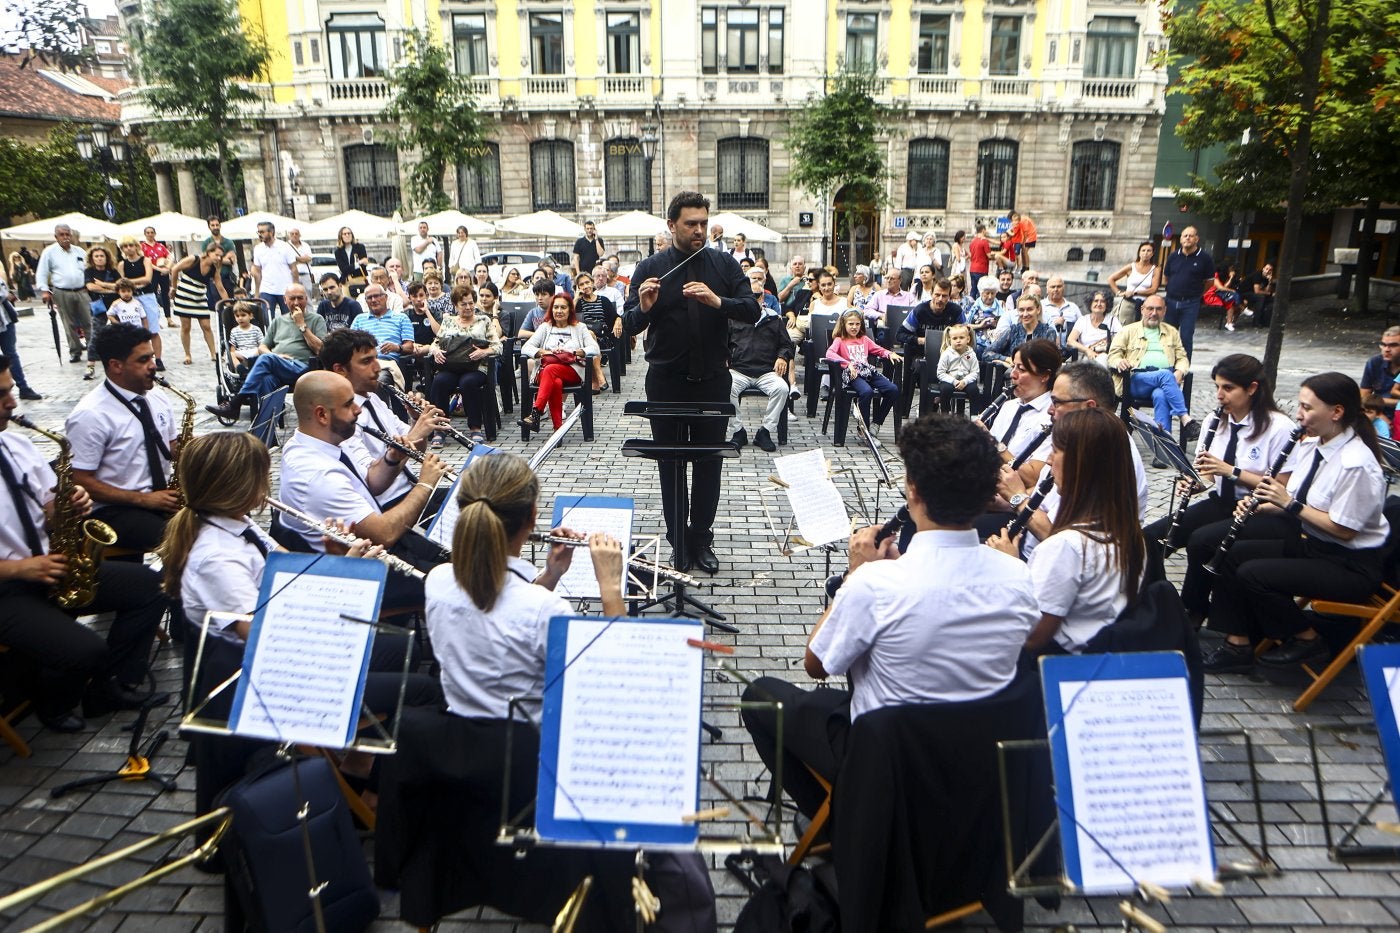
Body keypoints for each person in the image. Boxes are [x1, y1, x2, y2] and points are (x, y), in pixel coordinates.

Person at [740, 414, 1037, 819]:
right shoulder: (1019, 577)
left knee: (760, 697)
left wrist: (855, 573)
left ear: (913, 490)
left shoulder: (875, 584)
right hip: (976, 763)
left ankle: (835, 823)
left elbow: (817, 664)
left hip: (888, 762)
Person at [157, 430, 443, 814]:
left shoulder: (240, 524)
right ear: (239, 485)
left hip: (291, 654)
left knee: (400, 647)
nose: (267, 483)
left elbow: (293, 571)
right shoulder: (216, 559)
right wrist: (349, 580)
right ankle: (374, 792)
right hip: (273, 680)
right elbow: (267, 638)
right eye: (261, 476)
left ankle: (358, 764)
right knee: (423, 690)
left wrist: (339, 555)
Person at [0, 353, 166, 733]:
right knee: (87, 649)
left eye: (10, 390)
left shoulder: (16, 446)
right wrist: (20, 568)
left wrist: (68, 505)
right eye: (1, 395)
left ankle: (113, 686)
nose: (12, 403)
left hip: (47, 566)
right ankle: (51, 703)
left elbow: (46, 509)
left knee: (154, 586)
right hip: (8, 588)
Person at [1201, 372, 1389, 674]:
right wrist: (1264, 505)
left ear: (1336, 412)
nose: (1299, 415)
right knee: (1232, 554)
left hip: (1350, 565)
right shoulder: (1312, 446)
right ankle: (1238, 644)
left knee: (1254, 574)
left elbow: (1343, 528)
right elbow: (1297, 501)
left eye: (1306, 408)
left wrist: (1287, 502)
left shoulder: (1356, 463)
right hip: (1314, 547)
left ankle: (1307, 638)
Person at [622, 190, 760, 575]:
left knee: (708, 464)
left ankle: (701, 538)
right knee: (671, 464)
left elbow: (752, 310)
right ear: (671, 225)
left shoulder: (724, 266)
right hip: (665, 382)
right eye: (691, 224)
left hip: (713, 381)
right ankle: (677, 542)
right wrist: (644, 309)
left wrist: (719, 302)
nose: (700, 230)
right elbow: (628, 325)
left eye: (704, 223)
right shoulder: (651, 266)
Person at [987, 407, 1144, 653]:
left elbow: (1030, 637)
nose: (1049, 460)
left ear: (1081, 463)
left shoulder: (1065, 547)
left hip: (1056, 667)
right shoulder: (1129, 533)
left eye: (1056, 451)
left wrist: (1012, 567)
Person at [278, 371, 448, 597]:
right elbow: (385, 534)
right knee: (462, 578)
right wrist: (425, 484)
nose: (358, 410)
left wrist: (391, 460)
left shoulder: (321, 440)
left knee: (464, 548)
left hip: (381, 549)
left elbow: (371, 484)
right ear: (322, 415)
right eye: (349, 405)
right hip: (371, 572)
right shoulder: (317, 474)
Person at [65, 323, 180, 553]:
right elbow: (80, 480)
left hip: (159, 498)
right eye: (143, 360)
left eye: (153, 357)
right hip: (112, 510)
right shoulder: (90, 414)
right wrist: (146, 500)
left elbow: (173, 448)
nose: (153, 366)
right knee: (183, 539)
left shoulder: (157, 396)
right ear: (116, 366)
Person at [204, 284, 328, 419]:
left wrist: (302, 326)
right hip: (278, 366)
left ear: (306, 299)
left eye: (300, 298)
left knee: (266, 359)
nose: (296, 302)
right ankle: (267, 433)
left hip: (302, 367)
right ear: (285, 300)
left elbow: (320, 349)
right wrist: (276, 356)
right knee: (266, 380)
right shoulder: (278, 321)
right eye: (292, 298)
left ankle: (235, 404)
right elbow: (263, 347)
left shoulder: (316, 319)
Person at [1108, 294, 1201, 446]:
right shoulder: (1128, 330)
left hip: (1165, 382)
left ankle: (1163, 446)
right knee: (1165, 375)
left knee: (1161, 394)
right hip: (1136, 379)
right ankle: (1185, 419)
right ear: (1142, 309)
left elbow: (1182, 357)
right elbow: (1113, 355)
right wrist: (1120, 362)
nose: (1154, 313)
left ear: (1164, 311)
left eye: (1158, 309)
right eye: (1150, 309)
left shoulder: (1171, 331)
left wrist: (1180, 371)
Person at [728, 266, 795, 453]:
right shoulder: (734, 318)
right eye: (750, 297)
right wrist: (724, 359)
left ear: (763, 298)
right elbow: (721, 343)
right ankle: (738, 431)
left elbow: (787, 345)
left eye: (757, 297)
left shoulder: (774, 319)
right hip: (738, 370)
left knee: (782, 388)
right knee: (724, 386)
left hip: (767, 372)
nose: (754, 301)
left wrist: (782, 357)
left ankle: (765, 431)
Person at [425, 285, 501, 444]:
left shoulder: (484, 320)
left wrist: (484, 352)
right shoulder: (448, 321)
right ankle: (441, 427)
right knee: (439, 382)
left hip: (476, 366)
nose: (468, 307)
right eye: (464, 304)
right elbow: (435, 343)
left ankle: (475, 428)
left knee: (468, 383)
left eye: (471, 303)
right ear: (455, 306)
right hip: (452, 366)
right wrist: (436, 351)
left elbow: (498, 346)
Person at [519, 293, 599, 434]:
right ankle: (558, 431)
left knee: (550, 370)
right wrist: (543, 352)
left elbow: (594, 349)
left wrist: (574, 352)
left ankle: (536, 412)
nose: (559, 311)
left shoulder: (580, 327)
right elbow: (526, 348)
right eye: (556, 307)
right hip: (548, 371)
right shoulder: (545, 327)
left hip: (572, 370)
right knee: (555, 382)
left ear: (570, 310)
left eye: (563, 307)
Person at [826, 310, 902, 437]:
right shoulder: (840, 340)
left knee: (893, 389)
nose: (854, 327)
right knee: (867, 392)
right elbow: (829, 354)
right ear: (843, 324)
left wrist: (889, 354)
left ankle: (876, 423)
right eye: (851, 324)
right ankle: (864, 429)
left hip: (867, 371)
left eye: (857, 324)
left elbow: (878, 350)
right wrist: (847, 364)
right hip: (853, 374)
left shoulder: (864, 339)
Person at [35, 223, 89, 363]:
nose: (65, 237)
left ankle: (93, 348)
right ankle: (75, 351)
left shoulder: (79, 251)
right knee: (68, 323)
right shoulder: (49, 252)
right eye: (62, 234)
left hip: (82, 290)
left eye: (67, 234)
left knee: (88, 321)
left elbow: (88, 269)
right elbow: (42, 272)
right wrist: (44, 290)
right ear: (56, 236)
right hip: (62, 291)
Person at [1161, 226, 1215, 358]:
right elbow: (1166, 277)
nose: (1188, 238)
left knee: (1186, 336)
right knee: (1167, 336)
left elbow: (1209, 281)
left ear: (1197, 239)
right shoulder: (1173, 256)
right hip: (1171, 301)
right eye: (1185, 236)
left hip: (1190, 303)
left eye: (1191, 236)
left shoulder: (1205, 258)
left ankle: (1183, 369)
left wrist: (1198, 294)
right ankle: (1166, 365)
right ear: (1180, 239)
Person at [169, 241, 225, 365]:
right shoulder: (194, 259)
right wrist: (173, 288)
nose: (219, 258)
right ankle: (187, 354)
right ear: (208, 253)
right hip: (184, 297)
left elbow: (220, 287)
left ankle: (213, 353)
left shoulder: (214, 269)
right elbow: (174, 269)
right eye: (216, 254)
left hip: (199, 299)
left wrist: (227, 303)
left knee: (206, 326)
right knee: (186, 327)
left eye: (221, 256)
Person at [352, 283, 416, 389]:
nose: (373, 300)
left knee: (378, 380)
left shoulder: (401, 318)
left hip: (386, 364)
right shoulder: (359, 319)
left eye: (377, 296)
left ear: (386, 297)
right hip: (361, 363)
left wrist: (397, 347)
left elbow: (410, 347)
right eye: (369, 298)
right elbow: (350, 344)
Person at [985, 296, 1058, 370]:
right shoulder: (1012, 331)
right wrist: (1007, 359)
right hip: (1013, 377)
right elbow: (987, 354)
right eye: (1021, 310)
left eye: (1029, 309)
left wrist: (1017, 364)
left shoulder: (1048, 332)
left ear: (1038, 309)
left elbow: (1049, 360)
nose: (1025, 314)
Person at [0, 269, 40, 400]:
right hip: (5, 320)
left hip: (5, 320)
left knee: (11, 354)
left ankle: (23, 387)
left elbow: (2, 291)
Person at [83, 246, 119, 380]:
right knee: (95, 336)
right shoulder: (89, 271)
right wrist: (109, 288)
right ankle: (90, 365)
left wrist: (103, 285)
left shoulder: (113, 271)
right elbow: (91, 287)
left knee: (116, 335)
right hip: (98, 307)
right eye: (96, 256)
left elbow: (120, 286)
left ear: (106, 257)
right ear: (92, 258)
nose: (99, 258)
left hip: (115, 307)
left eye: (101, 256)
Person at [251, 221, 301, 317]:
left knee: (289, 318)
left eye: (262, 232)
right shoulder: (258, 249)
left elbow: (294, 269)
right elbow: (257, 272)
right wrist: (257, 293)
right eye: (258, 232)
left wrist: (296, 289)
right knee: (267, 319)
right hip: (266, 289)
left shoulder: (285, 247)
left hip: (285, 289)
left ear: (271, 232)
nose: (260, 235)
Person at [1108, 241, 1162, 326]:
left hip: (1145, 305)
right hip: (1128, 303)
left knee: (1143, 330)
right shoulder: (1131, 267)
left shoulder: (1155, 270)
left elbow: (1153, 290)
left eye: (1149, 251)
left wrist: (1135, 292)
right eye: (1143, 250)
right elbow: (1111, 279)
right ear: (1139, 253)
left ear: (1152, 254)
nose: (1146, 253)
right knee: (1124, 329)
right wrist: (1119, 293)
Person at [1066, 290, 1118, 366]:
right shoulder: (1083, 320)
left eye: (1103, 301)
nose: (1099, 304)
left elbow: (1121, 339)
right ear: (1090, 303)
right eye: (1096, 301)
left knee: (1102, 359)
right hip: (1085, 357)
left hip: (1105, 357)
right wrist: (1087, 351)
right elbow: (1070, 341)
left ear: (1107, 304)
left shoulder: (1113, 321)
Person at [936, 324, 980, 412]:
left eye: (961, 338)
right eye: (955, 338)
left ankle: (974, 417)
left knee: (974, 390)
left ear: (968, 339)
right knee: (945, 389)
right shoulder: (946, 354)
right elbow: (940, 373)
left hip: (966, 380)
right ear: (950, 340)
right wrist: (953, 381)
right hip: (950, 380)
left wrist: (965, 381)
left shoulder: (971, 354)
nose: (958, 341)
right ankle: (945, 416)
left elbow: (975, 372)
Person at [1360, 325, 1400, 416]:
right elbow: (1364, 397)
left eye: (1393, 345)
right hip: (1378, 413)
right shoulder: (1375, 363)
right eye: (1383, 345)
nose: (1386, 350)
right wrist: (1380, 416)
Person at [139, 226, 173, 322]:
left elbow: (169, 256)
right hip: (151, 272)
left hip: (163, 271)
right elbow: (145, 260)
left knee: (165, 294)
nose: (150, 234)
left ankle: (169, 318)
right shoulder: (142, 246)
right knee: (152, 295)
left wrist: (168, 267)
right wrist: (159, 269)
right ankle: (155, 319)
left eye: (151, 232)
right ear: (145, 234)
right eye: (148, 232)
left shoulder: (160, 246)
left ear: (155, 233)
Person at [226, 301, 265, 374]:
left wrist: (257, 352)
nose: (240, 318)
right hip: (242, 353)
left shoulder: (256, 329)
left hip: (254, 352)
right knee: (231, 354)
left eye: (243, 315)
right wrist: (233, 353)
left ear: (250, 316)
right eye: (237, 316)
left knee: (261, 350)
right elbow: (232, 348)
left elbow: (261, 344)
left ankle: (253, 365)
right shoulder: (234, 331)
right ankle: (239, 368)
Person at [1042, 275, 1080, 344]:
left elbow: (1081, 328)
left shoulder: (1073, 307)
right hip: (1047, 348)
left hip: (1069, 349)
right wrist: (1054, 325)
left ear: (1063, 288)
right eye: (1052, 287)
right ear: (1047, 289)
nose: (1056, 289)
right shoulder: (1040, 306)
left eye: (1059, 286)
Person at [334, 226, 370, 296]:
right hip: (346, 281)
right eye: (344, 234)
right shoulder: (338, 251)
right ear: (341, 236)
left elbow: (364, 264)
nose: (347, 235)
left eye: (349, 233)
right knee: (348, 304)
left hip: (359, 279)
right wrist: (358, 263)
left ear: (352, 235)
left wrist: (359, 264)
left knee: (361, 301)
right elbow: (343, 269)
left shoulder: (360, 247)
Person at [1240, 262, 1275, 326]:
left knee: (1271, 299)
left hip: (1253, 293)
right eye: (1267, 269)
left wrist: (1270, 281)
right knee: (1260, 298)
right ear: (1263, 269)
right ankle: (1256, 320)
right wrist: (1269, 294)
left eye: (1270, 270)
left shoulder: (1266, 278)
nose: (1268, 271)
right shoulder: (1258, 275)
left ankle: (1265, 320)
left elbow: (1266, 291)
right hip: (1244, 292)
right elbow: (1257, 291)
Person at [286, 226, 315, 294]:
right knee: (292, 295)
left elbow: (309, 258)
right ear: (289, 235)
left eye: (296, 233)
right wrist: (302, 259)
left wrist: (295, 258)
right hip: (291, 276)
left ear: (300, 235)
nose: (294, 235)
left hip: (305, 275)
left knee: (307, 297)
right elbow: (286, 261)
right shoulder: (285, 246)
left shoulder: (306, 245)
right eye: (292, 234)